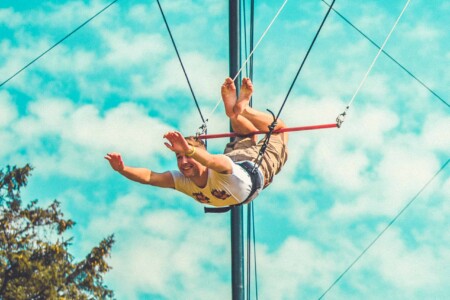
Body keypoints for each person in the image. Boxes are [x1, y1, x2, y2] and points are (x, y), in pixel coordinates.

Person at [105, 77, 288, 208]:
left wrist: (188, 149)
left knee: (279, 131)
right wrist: (122, 169)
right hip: (243, 164)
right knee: (246, 134)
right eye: (179, 157)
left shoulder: (219, 164)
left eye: (187, 156)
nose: (183, 162)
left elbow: (210, 161)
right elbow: (150, 177)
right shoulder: (183, 180)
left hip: (252, 166)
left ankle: (244, 110)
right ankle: (235, 113)